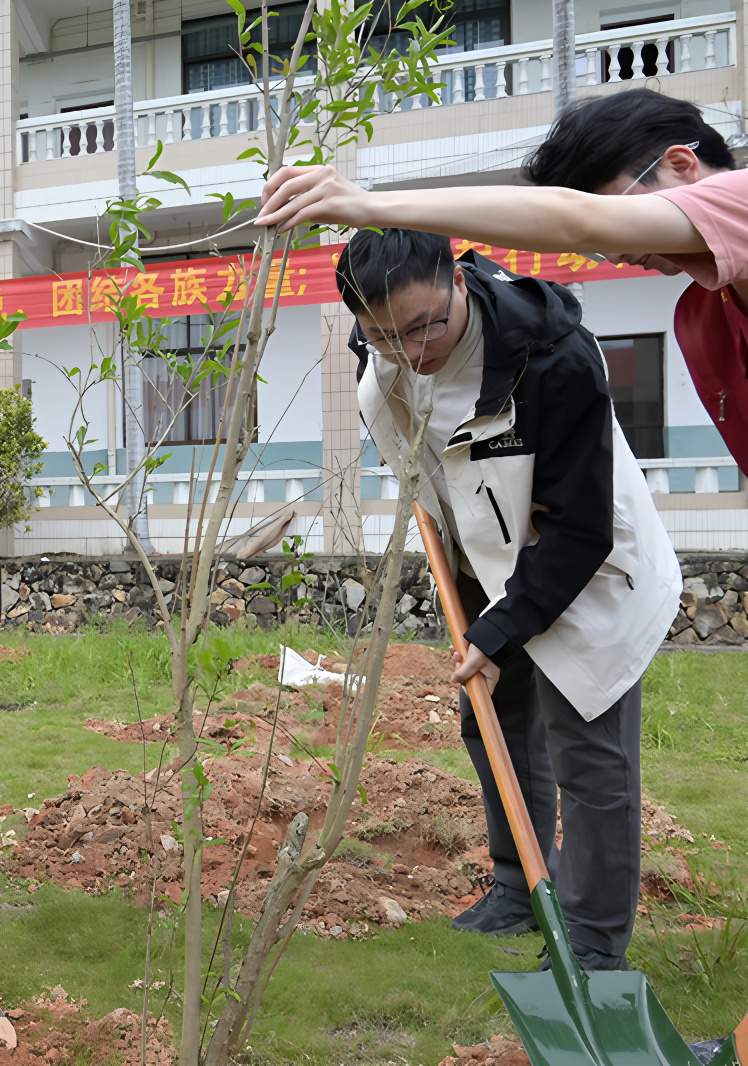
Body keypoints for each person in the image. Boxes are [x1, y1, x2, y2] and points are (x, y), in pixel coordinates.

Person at [337, 228, 680, 970]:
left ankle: (591, 945)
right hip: (483, 551)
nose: (414, 348)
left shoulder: (551, 356)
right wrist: (480, 606)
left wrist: (504, 629)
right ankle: (517, 886)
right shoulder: (383, 351)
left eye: (428, 325)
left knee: (587, 746)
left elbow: (583, 526)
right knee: (491, 717)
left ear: (459, 281)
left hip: (587, 561)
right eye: (385, 336)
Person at [255, 88, 748, 468]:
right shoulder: (703, 312)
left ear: (680, 164)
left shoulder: (742, 195)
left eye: (611, 212)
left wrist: (367, 204)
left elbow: (577, 221)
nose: (614, 254)